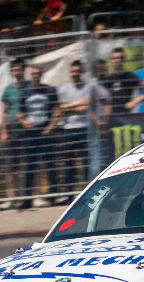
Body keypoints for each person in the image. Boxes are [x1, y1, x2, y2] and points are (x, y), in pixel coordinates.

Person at [18, 64, 60, 209]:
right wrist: (24, 122)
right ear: (31, 76)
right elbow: (20, 113)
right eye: (33, 74)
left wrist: (50, 127)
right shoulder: (25, 92)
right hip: (30, 133)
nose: (35, 76)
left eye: (37, 73)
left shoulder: (50, 90)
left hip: (45, 131)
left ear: (41, 75)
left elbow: (56, 110)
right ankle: (27, 200)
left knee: (50, 164)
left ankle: (53, 197)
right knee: (29, 166)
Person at [58, 60, 91, 201]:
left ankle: (88, 193)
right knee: (68, 163)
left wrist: (69, 106)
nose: (75, 73)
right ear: (70, 73)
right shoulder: (63, 89)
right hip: (68, 129)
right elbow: (61, 108)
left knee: (86, 163)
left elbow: (85, 107)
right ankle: (69, 194)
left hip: (84, 128)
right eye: (73, 71)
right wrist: (78, 104)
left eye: (77, 71)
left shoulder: (88, 88)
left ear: (81, 72)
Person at [0, 58, 28, 209]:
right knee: (11, 166)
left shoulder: (30, 87)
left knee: (29, 164)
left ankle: (31, 196)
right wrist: (3, 131)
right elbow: (4, 111)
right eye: (14, 69)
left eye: (19, 69)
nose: (17, 72)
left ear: (23, 70)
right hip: (11, 128)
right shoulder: (8, 89)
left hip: (28, 129)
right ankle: (12, 198)